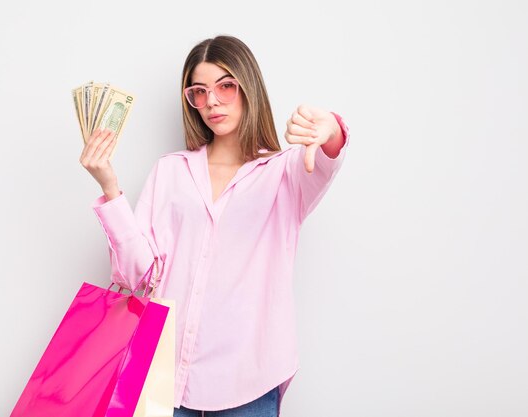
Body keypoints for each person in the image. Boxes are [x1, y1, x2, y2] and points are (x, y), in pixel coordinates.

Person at [80, 35, 350, 417]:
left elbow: (325, 158)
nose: (212, 102)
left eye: (226, 86)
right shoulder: (170, 171)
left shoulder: (285, 172)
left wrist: (332, 130)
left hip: (249, 378)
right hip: (162, 373)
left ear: (248, 87)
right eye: (199, 92)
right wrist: (109, 187)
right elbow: (139, 276)